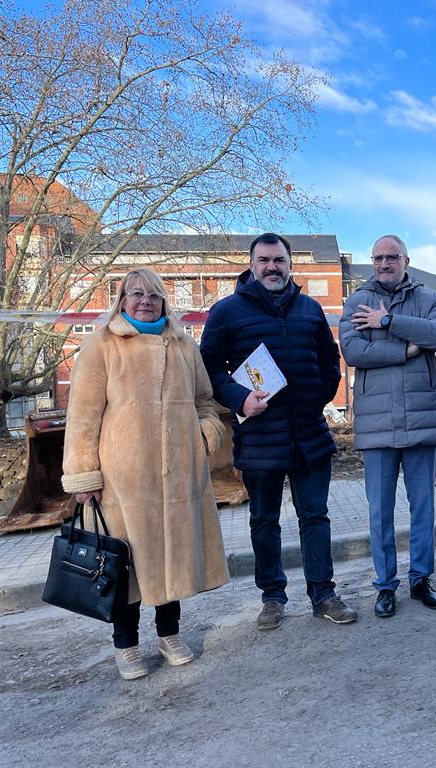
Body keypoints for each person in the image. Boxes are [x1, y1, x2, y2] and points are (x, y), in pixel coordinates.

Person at [62, 268, 229, 681]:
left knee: (172, 557)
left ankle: (169, 635)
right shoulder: (101, 346)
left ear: (164, 302)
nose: (146, 301)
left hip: (178, 477)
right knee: (127, 565)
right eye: (137, 294)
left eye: (154, 296)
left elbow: (205, 400)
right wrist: (85, 476)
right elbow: (82, 417)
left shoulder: (185, 346)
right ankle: (126, 644)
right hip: (122, 482)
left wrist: (205, 432)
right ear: (121, 300)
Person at [200, 233, 357, 630]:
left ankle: (323, 593)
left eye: (279, 260)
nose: (272, 267)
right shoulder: (227, 312)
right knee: (263, 520)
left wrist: (317, 397)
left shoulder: (310, 309)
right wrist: (240, 400)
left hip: (309, 434)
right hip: (259, 437)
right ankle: (272, 596)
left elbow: (329, 361)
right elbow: (209, 370)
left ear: (290, 265)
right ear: (251, 265)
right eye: (264, 260)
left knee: (315, 517)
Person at [339, 234, 436, 618]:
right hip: (376, 425)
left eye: (391, 257)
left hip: (421, 420)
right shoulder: (356, 301)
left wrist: (386, 321)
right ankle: (385, 585)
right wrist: (404, 348)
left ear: (406, 259)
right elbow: (354, 351)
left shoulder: (429, 298)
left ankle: (421, 579)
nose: (383, 263)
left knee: (423, 508)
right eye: (377, 258)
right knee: (379, 513)